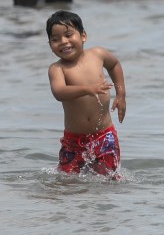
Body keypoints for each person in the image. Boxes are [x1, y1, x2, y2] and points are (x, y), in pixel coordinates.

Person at [46, 10, 125, 178]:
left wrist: (121, 95)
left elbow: (115, 65)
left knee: (108, 179)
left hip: (104, 135)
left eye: (68, 35)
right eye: (55, 39)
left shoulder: (97, 54)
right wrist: (87, 89)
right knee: (68, 181)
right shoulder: (57, 68)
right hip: (73, 141)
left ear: (83, 36)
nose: (63, 42)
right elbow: (59, 92)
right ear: (50, 46)